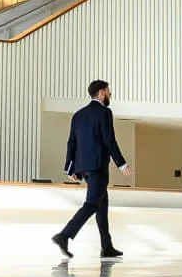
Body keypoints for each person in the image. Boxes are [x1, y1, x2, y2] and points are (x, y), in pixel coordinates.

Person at [53, 79, 129, 260]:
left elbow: (71, 142)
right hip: (98, 167)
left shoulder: (78, 115)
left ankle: (107, 246)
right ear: (101, 93)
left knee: (102, 204)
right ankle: (64, 235)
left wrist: (70, 168)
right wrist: (121, 163)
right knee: (92, 204)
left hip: (83, 167)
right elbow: (109, 140)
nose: (110, 94)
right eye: (108, 91)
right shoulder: (105, 113)